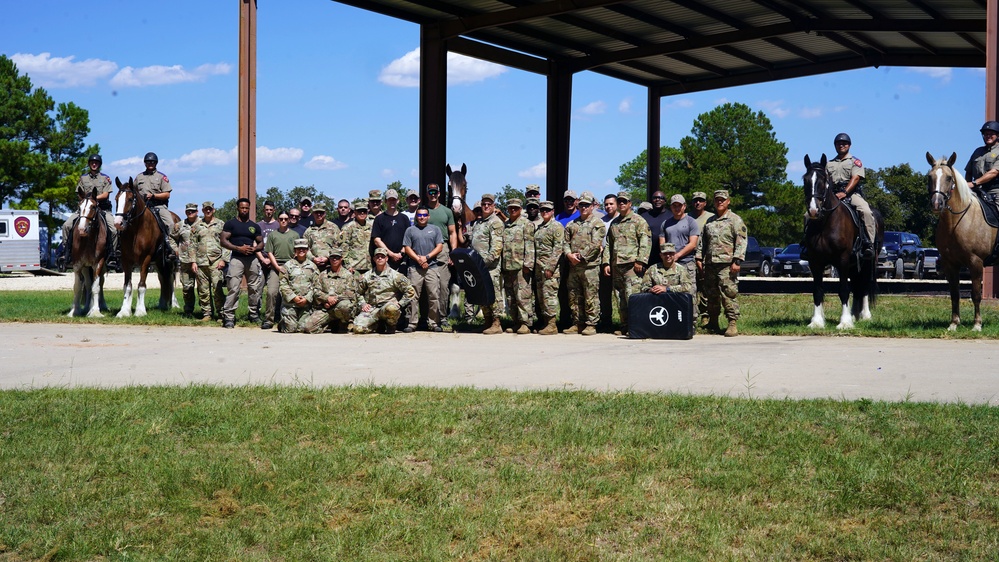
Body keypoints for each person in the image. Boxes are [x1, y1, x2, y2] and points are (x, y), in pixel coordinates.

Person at [696, 190, 747, 337]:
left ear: (728, 201)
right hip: (711, 263)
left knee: (728, 294)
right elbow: (702, 242)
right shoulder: (710, 221)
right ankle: (713, 322)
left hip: (727, 264)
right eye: (717, 200)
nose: (720, 202)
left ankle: (732, 323)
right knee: (711, 295)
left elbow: (741, 241)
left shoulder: (735, 220)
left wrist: (737, 260)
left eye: (722, 200)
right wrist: (699, 258)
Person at [602, 191, 651, 334]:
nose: (622, 204)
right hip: (616, 265)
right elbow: (608, 245)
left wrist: (641, 260)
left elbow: (645, 241)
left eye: (625, 201)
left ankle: (636, 327)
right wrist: (606, 263)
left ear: (630, 204)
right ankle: (624, 326)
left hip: (632, 265)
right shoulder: (614, 223)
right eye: (620, 201)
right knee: (619, 297)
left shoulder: (638, 221)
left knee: (632, 297)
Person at [62, 154, 119, 270]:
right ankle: (66, 253)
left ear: (99, 165)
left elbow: (106, 194)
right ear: (89, 164)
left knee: (114, 229)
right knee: (66, 226)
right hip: (85, 210)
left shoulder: (105, 178)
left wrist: (94, 200)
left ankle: (112, 255)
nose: (94, 164)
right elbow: (79, 193)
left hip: (102, 209)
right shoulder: (83, 178)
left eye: (96, 163)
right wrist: (87, 203)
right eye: (92, 162)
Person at [827, 133, 876, 259]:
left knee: (865, 211)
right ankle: (806, 244)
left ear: (849, 145)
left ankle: (869, 244)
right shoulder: (829, 164)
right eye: (839, 143)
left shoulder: (855, 161)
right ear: (835, 146)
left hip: (850, 193)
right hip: (832, 195)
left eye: (844, 143)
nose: (841, 145)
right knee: (809, 214)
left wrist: (844, 192)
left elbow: (855, 178)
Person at [563, 193, 606, 335]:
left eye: (587, 205)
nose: (584, 207)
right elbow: (565, 243)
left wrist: (580, 257)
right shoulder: (572, 224)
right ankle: (577, 322)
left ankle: (591, 323)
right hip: (574, 266)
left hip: (590, 266)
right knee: (574, 295)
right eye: (581, 205)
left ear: (592, 206)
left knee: (590, 295)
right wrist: (569, 255)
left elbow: (596, 244)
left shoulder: (597, 224)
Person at [220, 198, 264, 329]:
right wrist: (238, 248)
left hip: (252, 259)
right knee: (233, 288)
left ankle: (253, 314)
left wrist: (255, 248)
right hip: (236, 259)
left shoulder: (254, 226)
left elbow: (261, 242)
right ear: (238, 208)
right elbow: (223, 241)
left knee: (254, 288)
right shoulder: (230, 224)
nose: (244, 210)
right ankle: (229, 317)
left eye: (246, 208)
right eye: (242, 208)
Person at [352, 247, 416, 334]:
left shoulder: (395, 275)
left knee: (392, 308)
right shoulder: (367, 276)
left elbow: (410, 291)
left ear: (386, 258)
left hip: (388, 308)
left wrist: (400, 304)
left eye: (382, 256)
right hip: (373, 308)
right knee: (358, 329)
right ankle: (376, 325)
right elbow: (358, 292)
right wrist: (363, 304)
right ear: (374, 259)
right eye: (377, 256)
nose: (380, 258)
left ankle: (391, 325)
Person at [402, 206, 444, 332]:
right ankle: (412, 323)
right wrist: (418, 259)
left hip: (432, 267)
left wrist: (426, 258)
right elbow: (407, 248)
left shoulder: (435, 229)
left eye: (424, 215)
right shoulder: (410, 230)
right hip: (415, 268)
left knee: (434, 296)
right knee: (413, 296)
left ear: (428, 216)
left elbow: (440, 246)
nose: (422, 217)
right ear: (416, 216)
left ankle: (434, 323)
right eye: (419, 215)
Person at [470, 192, 505, 334]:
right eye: (483, 204)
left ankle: (497, 323)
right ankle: (487, 321)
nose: (485, 206)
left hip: (490, 267)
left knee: (493, 293)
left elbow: (497, 247)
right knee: (482, 294)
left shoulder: (495, 222)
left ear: (493, 206)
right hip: (478, 265)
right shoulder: (478, 223)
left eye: (488, 204)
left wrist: (485, 262)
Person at [133, 151, 177, 262]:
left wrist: (153, 195)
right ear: (145, 163)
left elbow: (167, 194)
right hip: (143, 207)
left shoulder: (161, 177)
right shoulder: (139, 177)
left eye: (152, 162)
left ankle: (170, 249)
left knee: (170, 224)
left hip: (158, 206)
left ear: (156, 163)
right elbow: (133, 192)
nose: (150, 164)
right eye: (148, 162)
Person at [501, 198, 536, 334]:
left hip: (521, 266)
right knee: (511, 297)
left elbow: (530, 245)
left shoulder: (526, 224)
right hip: (507, 266)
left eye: (516, 208)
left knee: (523, 296)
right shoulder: (506, 225)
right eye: (510, 208)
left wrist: (528, 264)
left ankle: (525, 323)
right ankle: (515, 321)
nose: (513, 210)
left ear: (521, 209)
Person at [426, 183, 458, 328]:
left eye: (435, 192)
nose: (433, 194)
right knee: (428, 287)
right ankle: (427, 318)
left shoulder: (447, 211)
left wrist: (453, 253)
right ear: (427, 194)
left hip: (443, 249)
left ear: (439, 193)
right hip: (426, 249)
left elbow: (453, 233)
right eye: (430, 192)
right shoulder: (423, 211)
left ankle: (443, 316)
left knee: (444, 285)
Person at [660, 194, 700, 304]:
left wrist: (677, 255)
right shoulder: (665, 223)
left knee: (689, 293)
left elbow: (692, 244)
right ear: (671, 207)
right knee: (670, 293)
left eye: (679, 205)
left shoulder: (691, 222)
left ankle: (692, 319)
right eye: (674, 206)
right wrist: (667, 257)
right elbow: (662, 243)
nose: (677, 208)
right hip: (670, 265)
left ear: (684, 206)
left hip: (687, 263)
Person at [192, 201, 229, 321]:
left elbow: (226, 243)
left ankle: (221, 313)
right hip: (201, 262)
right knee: (203, 290)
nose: (208, 211)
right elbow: (192, 245)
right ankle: (207, 313)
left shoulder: (221, 224)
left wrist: (224, 259)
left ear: (214, 210)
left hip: (216, 261)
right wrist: (193, 261)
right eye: (206, 209)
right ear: (202, 211)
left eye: (210, 209)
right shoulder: (198, 225)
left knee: (217, 289)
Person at [262, 210, 299, 330]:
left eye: (285, 219)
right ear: (278, 220)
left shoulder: (294, 235)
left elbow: (297, 252)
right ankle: (269, 319)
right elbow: (269, 252)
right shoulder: (273, 235)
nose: (283, 221)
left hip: (290, 267)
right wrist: (277, 267)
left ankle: (289, 318)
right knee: (271, 292)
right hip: (275, 267)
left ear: (289, 220)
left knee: (289, 294)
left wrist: (288, 266)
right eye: (281, 219)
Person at [311, 246, 359, 333]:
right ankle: (329, 324)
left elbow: (350, 294)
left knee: (346, 306)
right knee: (309, 328)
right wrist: (326, 299)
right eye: (332, 257)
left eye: (337, 257)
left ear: (341, 259)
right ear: (329, 259)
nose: (334, 260)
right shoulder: (322, 275)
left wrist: (334, 299)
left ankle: (343, 323)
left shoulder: (348, 275)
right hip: (325, 308)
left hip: (339, 307)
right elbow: (316, 291)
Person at [533, 200, 564, 335]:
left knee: (549, 296)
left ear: (552, 212)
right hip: (539, 268)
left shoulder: (556, 227)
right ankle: (545, 322)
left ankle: (552, 325)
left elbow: (558, 248)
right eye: (542, 210)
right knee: (542, 297)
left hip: (550, 269)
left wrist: (550, 267)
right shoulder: (540, 227)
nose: (544, 212)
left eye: (547, 210)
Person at [278, 238, 321, 334]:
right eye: (298, 249)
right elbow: (283, 284)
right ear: (295, 250)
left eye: (303, 249)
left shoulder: (313, 267)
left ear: (307, 250)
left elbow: (316, 285)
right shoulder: (287, 266)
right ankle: (283, 322)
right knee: (290, 329)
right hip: (290, 304)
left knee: (303, 328)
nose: (301, 250)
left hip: (306, 304)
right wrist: (294, 298)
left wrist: (307, 298)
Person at [168, 203, 200, 315]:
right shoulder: (180, 225)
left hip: (201, 260)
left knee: (203, 288)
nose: (190, 213)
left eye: (192, 211)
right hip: (185, 260)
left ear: (197, 212)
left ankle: (206, 312)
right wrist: (176, 249)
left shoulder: (203, 224)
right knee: (187, 287)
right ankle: (188, 311)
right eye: (188, 211)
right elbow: (171, 237)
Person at [371, 188, 412, 274]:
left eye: (394, 199)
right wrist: (391, 254)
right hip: (385, 260)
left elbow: (408, 238)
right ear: (385, 201)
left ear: (398, 201)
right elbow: (377, 240)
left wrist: (401, 253)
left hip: (402, 260)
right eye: (390, 200)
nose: (392, 202)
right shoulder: (379, 219)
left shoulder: (404, 218)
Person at [689, 191, 713, 323]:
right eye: (695, 200)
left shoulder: (711, 218)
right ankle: (691, 315)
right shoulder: (687, 217)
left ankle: (705, 315)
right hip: (688, 257)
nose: (698, 203)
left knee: (705, 288)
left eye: (700, 200)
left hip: (705, 257)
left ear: (705, 203)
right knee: (691, 287)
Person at [598, 193, 618, 331]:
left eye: (611, 204)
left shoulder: (621, 220)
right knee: (604, 294)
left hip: (619, 260)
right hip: (603, 260)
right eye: (606, 204)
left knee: (620, 294)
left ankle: (625, 322)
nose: (608, 206)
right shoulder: (600, 221)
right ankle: (606, 321)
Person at [965, 120, 999, 199]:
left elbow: (994, 172)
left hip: (995, 191)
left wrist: (974, 183)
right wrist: (967, 187)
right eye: (986, 134)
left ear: (997, 135)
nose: (988, 136)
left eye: (991, 134)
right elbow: (968, 172)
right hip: (977, 190)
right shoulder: (978, 151)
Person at [303, 202, 341, 271]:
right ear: (313, 214)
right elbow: (305, 248)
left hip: (330, 265)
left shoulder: (333, 228)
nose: (319, 214)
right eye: (316, 212)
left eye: (321, 212)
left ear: (325, 213)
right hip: (313, 266)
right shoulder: (308, 231)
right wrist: (313, 258)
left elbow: (338, 245)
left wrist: (328, 257)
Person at [341, 202, 373, 274]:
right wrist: (347, 265)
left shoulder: (372, 226)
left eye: (364, 211)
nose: (362, 213)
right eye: (359, 211)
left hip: (370, 266)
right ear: (355, 212)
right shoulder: (348, 227)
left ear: (367, 212)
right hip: (354, 267)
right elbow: (343, 247)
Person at [642, 190, 670, 267]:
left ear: (665, 201)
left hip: (666, 257)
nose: (657, 200)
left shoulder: (671, 216)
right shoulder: (644, 217)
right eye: (655, 198)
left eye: (661, 198)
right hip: (648, 257)